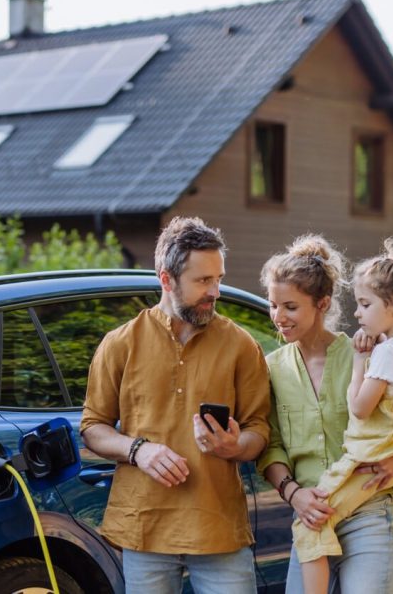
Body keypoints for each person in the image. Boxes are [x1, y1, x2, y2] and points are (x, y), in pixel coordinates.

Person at [80, 216, 271, 594]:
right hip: (144, 529)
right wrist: (138, 450)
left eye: (218, 279)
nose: (215, 291)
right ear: (166, 279)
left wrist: (236, 446)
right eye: (203, 281)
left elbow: (259, 430)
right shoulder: (121, 343)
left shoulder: (241, 345)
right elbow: (93, 428)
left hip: (218, 528)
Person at [257, 234, 393, 594]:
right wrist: (293, 492)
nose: (278, 317)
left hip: (372, 512)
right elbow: (272, 446)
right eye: (272, 306)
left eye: (291, 307)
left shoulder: (372, 352)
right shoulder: (271, 368)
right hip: (313, 518)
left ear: (323, 303)